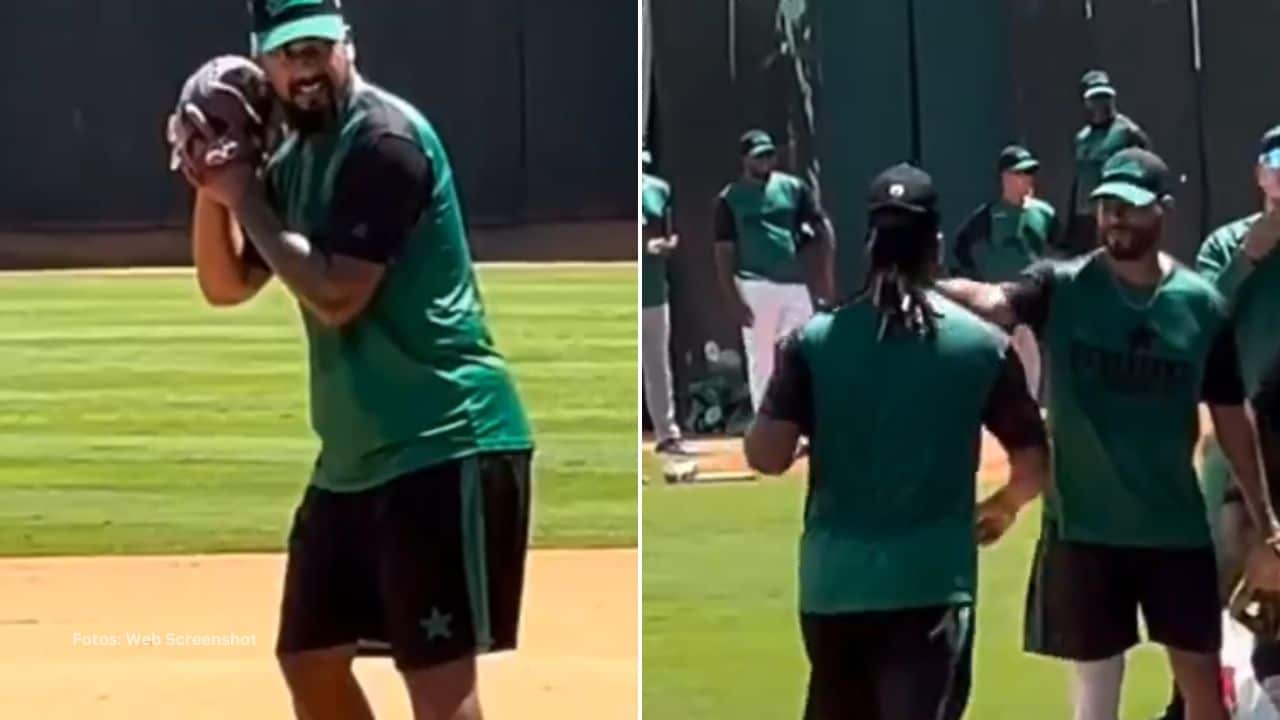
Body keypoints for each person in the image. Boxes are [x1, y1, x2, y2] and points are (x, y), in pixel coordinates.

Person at [176, 2, 534, 718]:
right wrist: (213, 190)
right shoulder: (294, 157)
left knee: (436, 681)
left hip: (442, 439)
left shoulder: (384, 142)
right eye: (286, 54)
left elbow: (338, 293)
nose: (304, 67)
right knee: (309, 658)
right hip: (354, 458)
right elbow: (225, 284)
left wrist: (246, 195)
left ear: (348, 47)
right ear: (264, 62)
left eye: (317, 49)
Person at [939, 148, 1280, 720]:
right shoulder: (1061, 287)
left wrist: (1266, 523)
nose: (1117, 218)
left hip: (1172, 529)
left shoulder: (1199, 308)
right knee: (1095, 703)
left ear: (1162, 211)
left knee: (1201, 692)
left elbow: (1230, 420)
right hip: (1087, 531)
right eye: (1107, 206)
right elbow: (996, 303)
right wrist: (924, 282)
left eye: (1131, 207)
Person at [744, 163, 1051, 720]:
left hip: (833, 585)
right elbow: (1033, 462)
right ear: (936, 243)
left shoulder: (813, 342)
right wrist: (1003, 508)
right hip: (931, 584)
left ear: (868, 242)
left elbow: (765, 456)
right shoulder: (981, 347)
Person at [1169, 124, 1280, 719]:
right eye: (1279, 165)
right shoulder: (1227, 243)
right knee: (1214, 581)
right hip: (1237, 438)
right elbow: (1195, 325)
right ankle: (1190, 703)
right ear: (1261, 175)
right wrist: (1247, 261)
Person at [715, 129, 835, 411]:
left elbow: (821, 227)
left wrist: (825, 276)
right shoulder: (730, 199)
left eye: (769, 154)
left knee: (806, 352)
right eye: (759, 157)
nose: (766, 161)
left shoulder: (793, 188)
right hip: (755, 284)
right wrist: (732, 297)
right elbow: (723, 251)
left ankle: (808, 423)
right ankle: (765, 427)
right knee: (763, 362)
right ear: (745, 160)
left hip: (793, 283)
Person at [951, 144, 1056, 397]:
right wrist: (976, 280)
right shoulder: (989, 215)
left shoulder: (1044, 213)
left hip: (1030, 299)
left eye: (1029, 173)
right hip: (999, 299)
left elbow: (1059, 248)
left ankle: (1030, 409)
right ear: (1005, 177)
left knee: (1030, 358)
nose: (1026, 179)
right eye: (1020, 173)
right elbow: (960, 246)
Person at [1061, 70, 1150, 256]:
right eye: (1095, 98)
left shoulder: (1128, 131)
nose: (1102, 104)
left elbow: (1147, 168)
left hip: (1115, 213)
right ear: (1087, 102)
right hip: (1085, 215)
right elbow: (1079, 179)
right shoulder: (1082, 138)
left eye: (1105, 97)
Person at [641, 148, 690, 455]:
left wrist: (666, 245)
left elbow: (672, 235)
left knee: (657, 364)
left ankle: (667, 433)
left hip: (654, 290)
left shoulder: (659, 189)